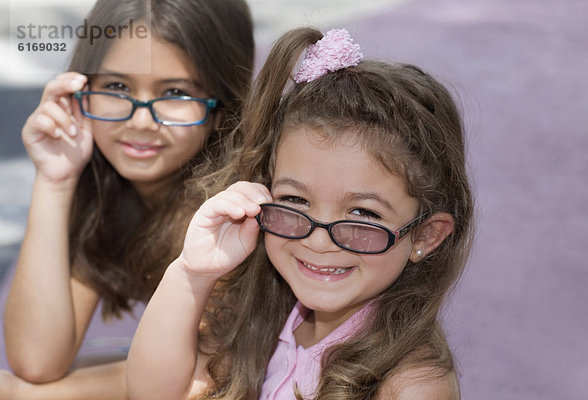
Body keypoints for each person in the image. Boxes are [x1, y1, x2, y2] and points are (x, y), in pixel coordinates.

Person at [127, 27, 474, 400]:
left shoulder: (412, 387)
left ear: (424, 235)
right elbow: (153, 393)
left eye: (363, 213)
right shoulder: (270, 313)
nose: (318, 240)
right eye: (296, 201)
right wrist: (190, 274)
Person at [1, 0, 254, 399]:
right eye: (117, 87)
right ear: (79, 91)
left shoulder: (233, 213)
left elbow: (207, 373)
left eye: (174, 92)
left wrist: (27, 397)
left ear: (223, 108)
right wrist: (54, 180)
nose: (140, 121)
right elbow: (37, 358)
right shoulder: (107, 191)